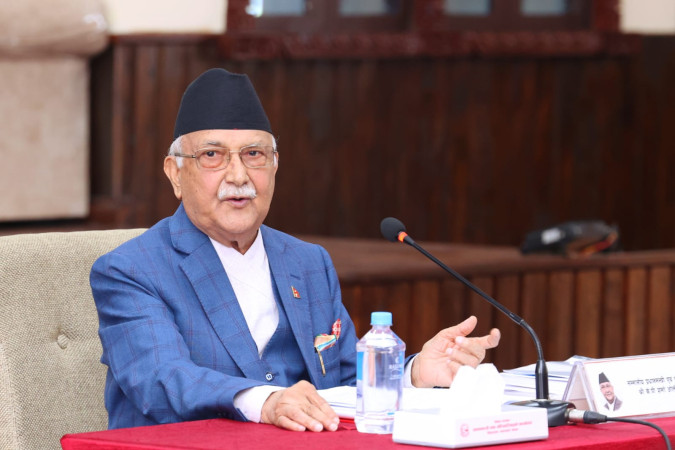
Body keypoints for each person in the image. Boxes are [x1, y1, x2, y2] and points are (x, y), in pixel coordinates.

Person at [91, 68, 501, 433]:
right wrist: (266, 402)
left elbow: (345, 383)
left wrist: (413, 375)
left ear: (274, 166)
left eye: (254, 155)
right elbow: (163, 380)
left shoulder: (308, 262)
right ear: (175, 174)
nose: (238, 175)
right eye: (212, 156)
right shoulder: (130, 270)